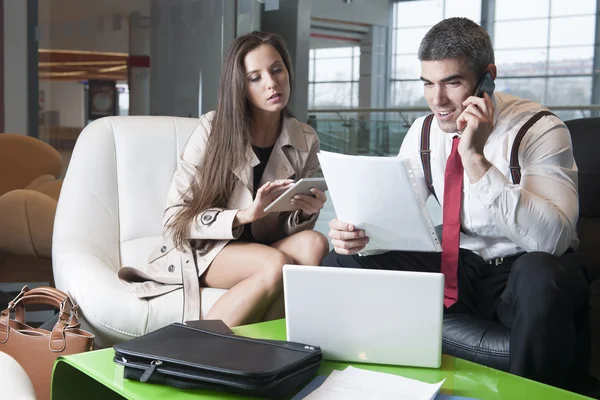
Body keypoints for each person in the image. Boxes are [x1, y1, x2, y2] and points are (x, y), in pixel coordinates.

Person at [323, 17, 589, 387]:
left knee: (542, 275)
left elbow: (552, 242)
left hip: (519, 273)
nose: (437, 100)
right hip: (458, 265)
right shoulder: (425, 132)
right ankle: (376, 384)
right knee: (341, 259)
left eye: (452, 82)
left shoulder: (540, 129)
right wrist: (359, 234)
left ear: (487, 77)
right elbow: (396, 217)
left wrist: (475, 159)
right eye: (428, 84)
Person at [120, 31, 329, 328]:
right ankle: (197, 350)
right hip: (206, 251)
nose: (271, 83)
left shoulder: (305, 138)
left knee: (314, 244)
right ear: (240, 87)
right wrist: (244, 215)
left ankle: (264, 351)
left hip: (264, 247)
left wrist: (305, 213)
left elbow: (288, 227)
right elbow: (175, 219)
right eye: (254, 77)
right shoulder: (212, 130)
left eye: (276, 69)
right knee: (275, 264)